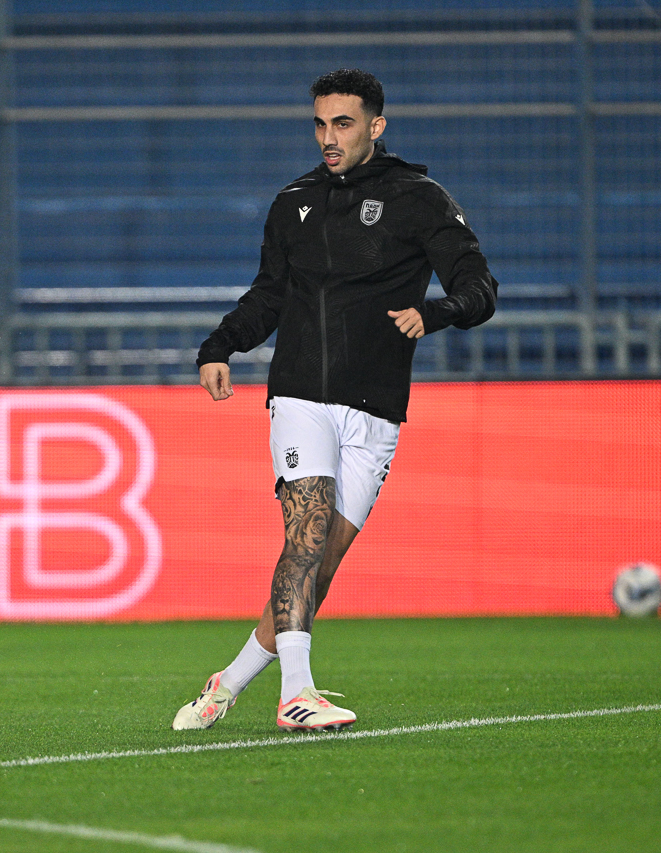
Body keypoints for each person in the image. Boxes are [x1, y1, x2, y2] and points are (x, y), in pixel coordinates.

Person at [171, 68, 498, 732]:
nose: (329, 137)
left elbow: (478, 285)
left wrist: (437, 313)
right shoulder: (294, 202)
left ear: (376, 126)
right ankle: (297, 693)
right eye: (320, 123)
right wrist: (219, 345)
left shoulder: (419, 199)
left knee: (318, 566)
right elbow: (268, 295)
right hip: (302, 393)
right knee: (306, 529)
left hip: (377, 407)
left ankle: (226, 682)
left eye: (343, 124)